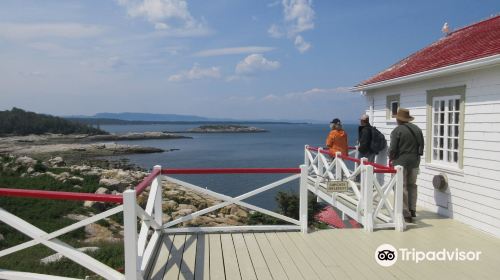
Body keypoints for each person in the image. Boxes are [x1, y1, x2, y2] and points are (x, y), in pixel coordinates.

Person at [389, 108, 424, 223]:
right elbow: (421, 147)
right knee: (412, 185)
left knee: (401, 187)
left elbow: (393, 149)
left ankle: (405, 213)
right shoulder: (417, 129)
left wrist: (391, 158)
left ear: (398, 119)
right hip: (415, 162)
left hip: (401, 162)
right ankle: (412, 209)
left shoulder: (397, 131)